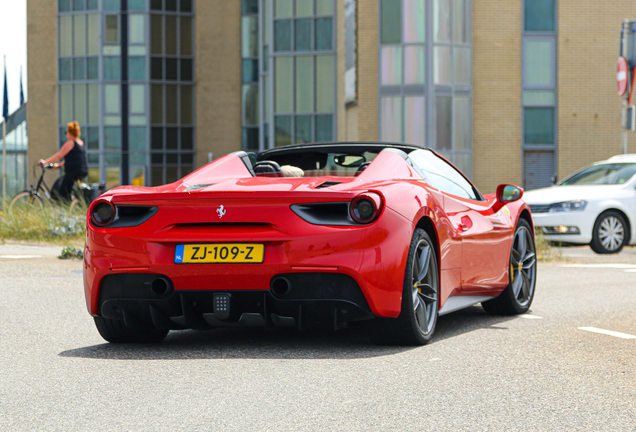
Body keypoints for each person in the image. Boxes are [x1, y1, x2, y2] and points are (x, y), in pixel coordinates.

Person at [39, 121, 88, 202]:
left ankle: (65, 209)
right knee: (61, 184)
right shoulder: (80, 143)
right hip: (81, 171)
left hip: (73, 172)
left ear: (69, 133)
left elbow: (59, 155)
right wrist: (58, 166)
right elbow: (73, 159)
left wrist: (45, 162)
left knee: (61, 191)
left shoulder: (70, 143)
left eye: (66, 132)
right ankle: (66, 204)